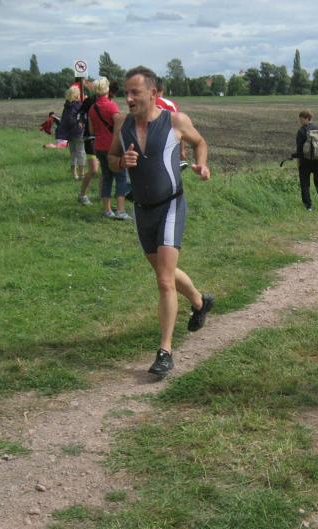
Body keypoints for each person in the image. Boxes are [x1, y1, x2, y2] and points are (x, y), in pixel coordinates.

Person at [108, 66, 215, 378]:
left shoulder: (174, 121)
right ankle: (200, 302)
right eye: (126, 93)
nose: (128, 98)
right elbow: (111, 159)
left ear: (153, 93)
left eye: (135, 92)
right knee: (164, 272)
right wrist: (120, 162)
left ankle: (165, 351)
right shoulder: (122, 124)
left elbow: (200, 142)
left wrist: (202, 165)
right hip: (142, 210)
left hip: (170, 205)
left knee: (164, 281)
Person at [88, 77, 129, 220]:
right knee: (121, 177)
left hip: (99, 147)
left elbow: (91, 131)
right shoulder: (112, 106)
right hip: (113, 147)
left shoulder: (92, 109)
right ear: (107, 89)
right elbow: (119, 126)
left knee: (106, 177)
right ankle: (121, 211)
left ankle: (107, 210)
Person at [293, 109, 318, 211]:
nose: (300, 121)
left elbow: (299, 149)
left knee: (305, 184)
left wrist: (298, 161)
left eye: (301, 119)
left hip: (305, 162)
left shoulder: (301, 131)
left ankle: (308, 206)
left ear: (307, 118)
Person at [77, 79, 99, 207]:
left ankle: (103, 195)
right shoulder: (89, 101)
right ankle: (82, 195)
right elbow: (80, 113)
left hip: (103, 138)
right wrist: (81, 120)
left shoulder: (107, 102)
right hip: (90, 138)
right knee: (94, 170)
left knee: (104, 170)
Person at [57, 86, 86, 180]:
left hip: (68, 133)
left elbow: (64, 120)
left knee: (73, 153)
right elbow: (84, 116)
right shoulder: (78, 105)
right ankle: (81, 174)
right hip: (78, 132)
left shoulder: (66, 106)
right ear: (77, 95)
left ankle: (74, 174)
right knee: (81, 152)